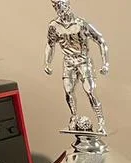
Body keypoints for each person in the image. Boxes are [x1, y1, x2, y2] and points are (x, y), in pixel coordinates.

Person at [45, 0, 109, 132]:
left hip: (83, 61)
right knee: (68, 91)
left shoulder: (80, 24)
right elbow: (50, 44)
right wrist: (47, 62)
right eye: (55, 6)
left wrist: (105, 63)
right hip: (68, 62)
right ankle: (74, 117)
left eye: (60, 6)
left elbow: (100, 40)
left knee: (90, 91)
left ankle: (101, 121)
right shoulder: (54, 26)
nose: (58, 9)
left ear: (67, 5)